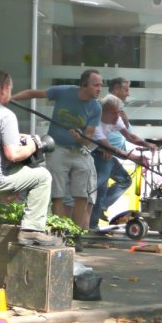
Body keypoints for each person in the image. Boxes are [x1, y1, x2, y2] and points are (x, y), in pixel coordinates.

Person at [0, 70, 60, 309]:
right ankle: (31, 228)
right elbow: (13, 154)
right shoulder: (3, 113)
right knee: (42, 177)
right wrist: (34, 144)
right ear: (5, 88)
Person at [12, 69, 103, 228]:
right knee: (58, 194)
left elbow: (88, 138)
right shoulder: (64, 91)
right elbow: (34, 93)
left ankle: (77, 234)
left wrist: (80, 138)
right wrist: (11, 98)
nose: (99, 89)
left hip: (79, 152)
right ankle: (60, 231)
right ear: (84, 84)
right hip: (57, 149)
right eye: (96, 85)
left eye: (100, 85)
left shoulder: (96, 107)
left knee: (81, 195)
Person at [89, 94, 156, 231]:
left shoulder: (115, 118)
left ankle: (101, 206)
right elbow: (110, 147)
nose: (117, 116)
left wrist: (146, 143)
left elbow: (130, 136)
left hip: (106, 152)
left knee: (125, 180)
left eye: (118, 112)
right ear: (104, 112)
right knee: (99, 188)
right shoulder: (95, 123)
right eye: (114, 112)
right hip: (93, 153)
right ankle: (92, 226)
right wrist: (133, 157)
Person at [95, 77, 135, 222]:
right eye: (126, 90)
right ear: (116, 90)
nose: (128, 93)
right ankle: (96, 211)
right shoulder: (107, 104)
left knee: (103, 186)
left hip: (110, 151)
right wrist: (105, 147)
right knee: (119, 181)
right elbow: (101, 128)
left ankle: (97, 210)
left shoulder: (116, 105)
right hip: (105, 152)